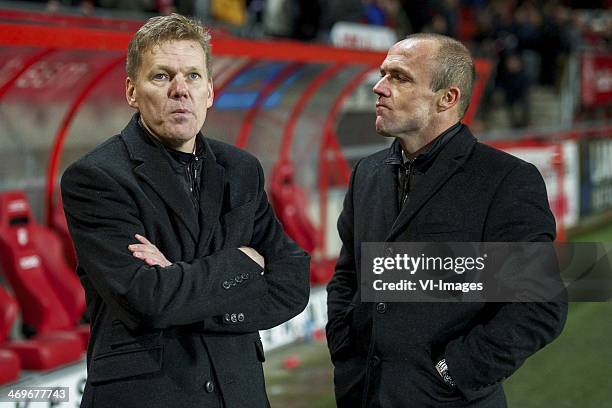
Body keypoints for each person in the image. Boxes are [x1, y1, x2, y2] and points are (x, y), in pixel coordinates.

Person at [61, 14, 310, 408]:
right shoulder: (96, 178)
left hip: (238, 391)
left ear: (210, 91)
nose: (181, 90)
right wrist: (242, 263)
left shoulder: (242, 170)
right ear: (131, 91)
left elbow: (293, 279)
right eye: (162, 76)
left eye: (193, 76)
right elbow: (147, 298)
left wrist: (181, 284)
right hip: (150, 394)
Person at [325, 33, 567, 407]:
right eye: (382, 74)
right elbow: (348, 275)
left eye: (399, 77)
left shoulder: (505, 180)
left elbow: (539, 304)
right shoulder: (367, 173)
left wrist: (454, 371)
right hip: (364, 393)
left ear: (447, 98)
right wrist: (344, 342)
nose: (379, 87)